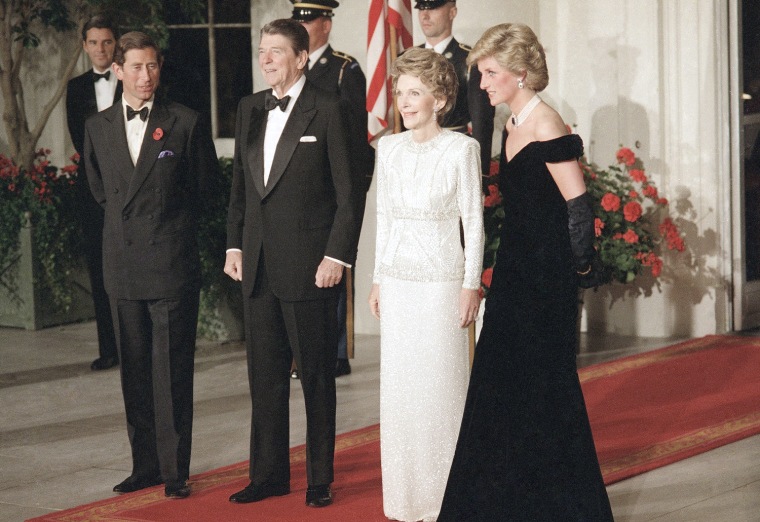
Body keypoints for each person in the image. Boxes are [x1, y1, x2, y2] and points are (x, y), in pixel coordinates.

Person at [437, 23, 613, 521]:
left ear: (519, 73)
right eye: (481, 75)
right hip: (515, 270)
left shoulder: (546, 125)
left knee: (545, 385)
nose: (483, 83)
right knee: (502, 384)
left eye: (490, 74)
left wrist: (579, 266)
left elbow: (578, 206)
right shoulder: (512, 125)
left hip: (547, 278)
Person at [224, 19, 363, 509]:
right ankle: (268, 476)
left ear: (301, 57)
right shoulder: (249, 108)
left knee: (317, 378)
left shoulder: (329, 109)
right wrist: (234, 246)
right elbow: (242, 188)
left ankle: (319, 478)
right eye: (263, 51)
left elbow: (350, 194)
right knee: (264, 380)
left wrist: (337, 256)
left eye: (276, 52)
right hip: (257, 266)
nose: (266, 59)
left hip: (311, 267)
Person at [83, 31, 219, 499]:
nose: (147, 76)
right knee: (135, 373)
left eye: (153, 67)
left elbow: (204, 192)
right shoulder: (96, 126)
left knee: (172, 373)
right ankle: (144, 465)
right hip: (122, 267)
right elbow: (101, 191)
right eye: (137, 67)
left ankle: (174, 469)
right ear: (117, 70)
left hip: (170, 266)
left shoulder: (185, 121)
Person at [368, 47, 484, 522]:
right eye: (400, 92)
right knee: (400, 395)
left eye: (415, 92)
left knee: (442, 391)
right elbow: (384, 220)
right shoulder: (388, 149)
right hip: (397, 285)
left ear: (440, 98)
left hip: (441, 286)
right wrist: (377, 280)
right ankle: (404, 500)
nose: (404, 101)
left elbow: (474, 223)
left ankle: (447, 501)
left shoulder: (462, 149)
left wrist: (470, 285)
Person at [291, 0, 374, 379]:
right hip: (301, 185)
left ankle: (337, 351)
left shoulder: (344, 70)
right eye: (298, 19)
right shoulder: (294, 66)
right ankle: (305, 350)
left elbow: (355, 138)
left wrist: (353, 191)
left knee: (336, 261)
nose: (302, 25)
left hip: (334, 185)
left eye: (309, 19)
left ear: (327, 23)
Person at [66, 14, 122, 371]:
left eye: (107, 42)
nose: (100, 49)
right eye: (94, 43)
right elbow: (78, 139)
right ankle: (109, 349)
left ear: (116, 44)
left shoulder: (133, 76)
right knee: (100, 271)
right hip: (93, 192)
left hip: (134, 188)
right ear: (84, 46)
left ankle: (141, 346)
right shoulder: (75, 88)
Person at [415, 0, 495, 179]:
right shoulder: (408, 58)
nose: (425, 15)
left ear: (452, 12)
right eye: (421, 8)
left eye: (433, 8)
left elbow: (482, 122)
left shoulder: (469, 60)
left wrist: (479, 175)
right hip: (414, 158)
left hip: (453, 156)